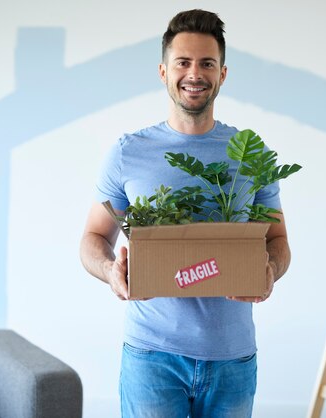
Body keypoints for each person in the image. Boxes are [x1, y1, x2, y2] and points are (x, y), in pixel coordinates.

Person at [79, 9, 291, 418]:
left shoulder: (253, 154)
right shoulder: (128, 152)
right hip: (151, 356)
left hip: (233, 358)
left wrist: (270, 269)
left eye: (207, 63)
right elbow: (93, 237)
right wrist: (109, 271)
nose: (195, 73)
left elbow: (278, 242)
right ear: (163, 72)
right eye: (184, 62)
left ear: (222, 74)